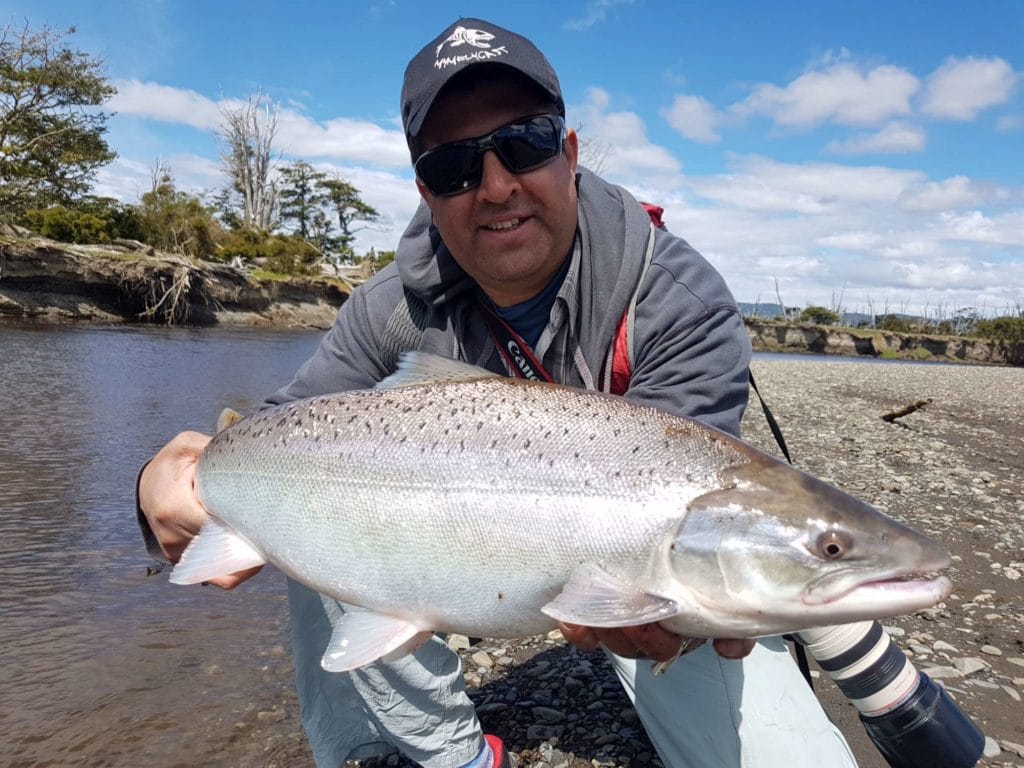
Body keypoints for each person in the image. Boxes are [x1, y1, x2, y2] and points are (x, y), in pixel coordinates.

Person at [137, 18, 858, 768]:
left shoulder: (680, 302)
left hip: (644, 586)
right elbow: (278, 433)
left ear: (569, 153)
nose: (496, 185)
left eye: (524, 143)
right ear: (425, 191)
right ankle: (429, 756)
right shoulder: (391, 308)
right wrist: (164, 481)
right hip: (455, 555)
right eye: (454, 166)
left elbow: (695, 517)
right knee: (319, 489)